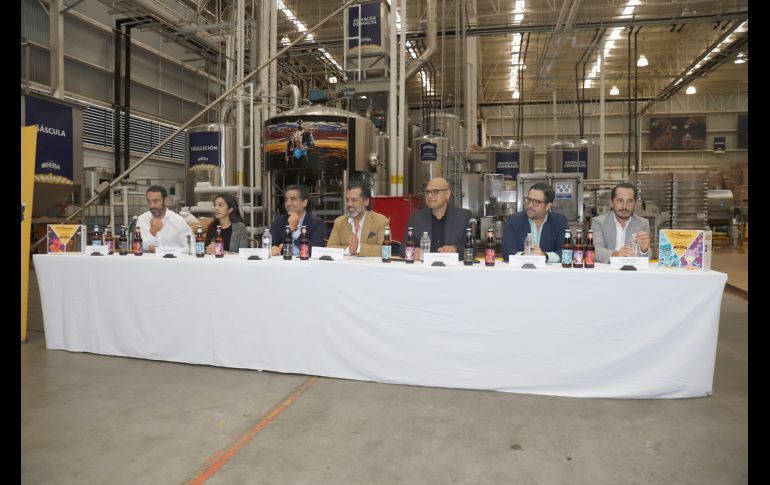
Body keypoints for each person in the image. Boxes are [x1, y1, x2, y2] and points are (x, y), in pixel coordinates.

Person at [400, 177, 472, 260]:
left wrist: (455, 249)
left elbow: (472, 250)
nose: (429, 196)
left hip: (451, 270)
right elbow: (402, 249)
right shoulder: (416, 218)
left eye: (435, 191)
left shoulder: (463, 217)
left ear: (447, 194)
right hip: (423, 270)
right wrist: (412, 251)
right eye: (427, 192)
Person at [501, 183, 569, 262]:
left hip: (549, 272)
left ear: (548, 206)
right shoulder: (513, 221)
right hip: (521, 271)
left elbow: (568, 251)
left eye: (536, 202)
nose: (530, 205)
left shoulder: (559, 221)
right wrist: (525, 256)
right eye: (528, 200)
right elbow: (506, 251)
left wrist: (545, 256)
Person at [590, 182, 651, 263]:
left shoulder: (643, 224)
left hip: (632, 273)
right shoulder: (598, 222)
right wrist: (616, 254)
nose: (625, 206)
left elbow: (647, 255)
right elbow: (594, 250)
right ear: (611, 203)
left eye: (630, 201)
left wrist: (644, 250)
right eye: (620, 201)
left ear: (635, 204)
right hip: (606, 271)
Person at [326, 181, 389, 256]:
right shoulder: (339, 222)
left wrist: (358, 248)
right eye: (347, 200)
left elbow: (385, 250)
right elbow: (330, 247)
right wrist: (349, 250)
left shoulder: (381, 221)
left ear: (366, 202)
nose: (349, 204)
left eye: (354, 200)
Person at [268, 184, 326, 256]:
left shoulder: (317, 223)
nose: (288, 203)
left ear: (304, 203)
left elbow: (315, 251)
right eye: (286, 200)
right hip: (283, 264)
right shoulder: (280, 220)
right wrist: (272, 248)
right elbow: (269, 244)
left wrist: (295, 230)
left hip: (307, 265)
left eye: (293, 199)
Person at [136, 185, 193, 252]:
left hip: (172, 262)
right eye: (149, 202)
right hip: (148, 262)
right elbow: (137, 246)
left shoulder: (177, 221)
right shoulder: (142, 219)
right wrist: (152, 232)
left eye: (156, 201)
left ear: (165, 200)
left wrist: (162, 251)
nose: (152, 206)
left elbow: (191, 248)